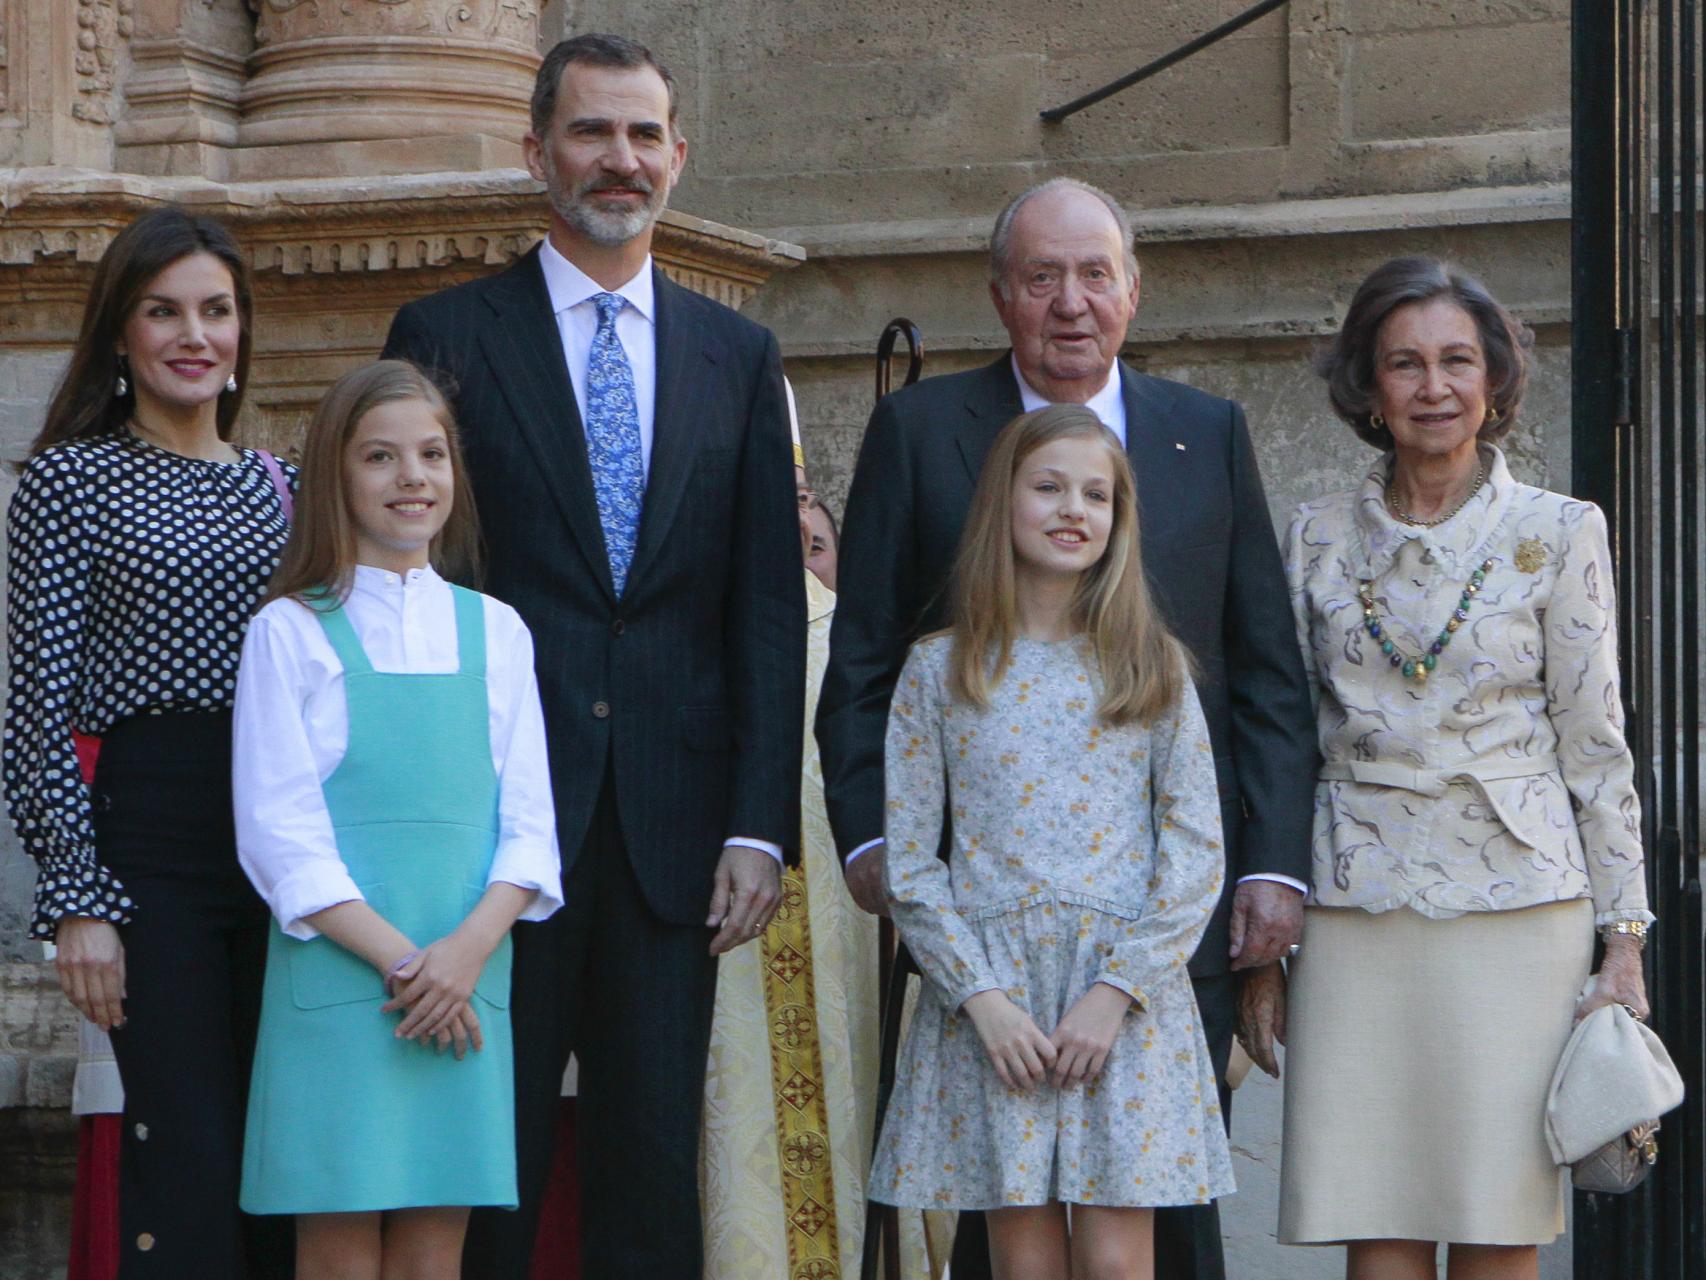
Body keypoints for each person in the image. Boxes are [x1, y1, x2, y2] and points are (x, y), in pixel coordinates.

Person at [816, 176, 1318, 1280]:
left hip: (1145, 937)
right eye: (1042, 276)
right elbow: (856, 664)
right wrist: (876, 851)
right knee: (1009, 1240)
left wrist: (1270, 861)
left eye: (1095, 274)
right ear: (1000, 295)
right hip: (980, 946)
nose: (1070, 300)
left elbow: (1267, 673)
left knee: (1156, 1222)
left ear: (1132, 291)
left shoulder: (1206, 434)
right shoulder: (918, 433)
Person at [380, 32, 806, 1278]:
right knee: (485, 1156)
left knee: (649, 1160)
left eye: (639, 135)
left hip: (674, 831)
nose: (616, 160)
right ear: (535, 151)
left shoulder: (738, 355)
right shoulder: (447, 334)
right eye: (588, 131)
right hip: (491, 828)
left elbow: (763, 610)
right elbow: (421, 580)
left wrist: (756, 824)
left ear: (677, 155)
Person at [1250, 256, 1652, 1280]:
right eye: (1404, 362)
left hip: (1516, 913)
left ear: (1494, 379)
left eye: (1456, 360)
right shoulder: (1313, 537)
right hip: (1354, 907)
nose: (1433, 385)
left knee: (1492, 1218)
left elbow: (1593, 745)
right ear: (1367, 389)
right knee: (1373, 1217)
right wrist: (1260, 940)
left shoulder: (1559, 531)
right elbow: (1277, 736)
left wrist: (1623, 940)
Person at [871, 404, 1235, 1280]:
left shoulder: (1152, 667)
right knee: (1022, 1260)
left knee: (1116, 1260)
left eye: (1097, 495)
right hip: (999, 1004)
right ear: (1004, 502)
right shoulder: (940, 669)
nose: (1075, 509)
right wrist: (980, 998)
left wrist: (1118, 990)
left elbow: (1195, 851)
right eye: (1050, 487)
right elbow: (913, 865)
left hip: (1121, 996)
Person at [2, 207, 295, 1278]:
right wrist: (78, 896)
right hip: (153, 835)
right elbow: (36, 703)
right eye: (162, 310)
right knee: (188, 1155)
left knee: (282, 1157)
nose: (193, 334)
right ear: (119, 333)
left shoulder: (282, 487)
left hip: (283, 841)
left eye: (216, 310)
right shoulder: (72, 480)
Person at [232, 360, 562, 1279]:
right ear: (336, 476)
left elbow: (530, 828)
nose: (411, 477)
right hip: (349, 986)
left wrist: (464, 955)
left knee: (433, 1249)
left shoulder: (497, 630)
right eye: (380, 457)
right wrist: (408, 964)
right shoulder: (290, 631)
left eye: (431, 454)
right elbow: (278, 834)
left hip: (465, 980)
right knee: (335, 1246)